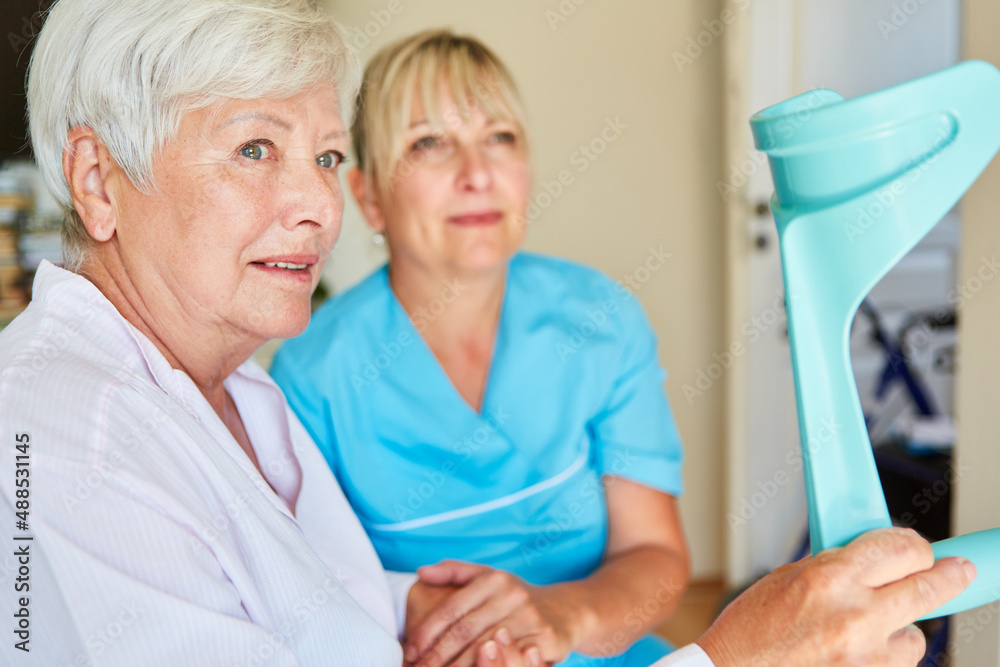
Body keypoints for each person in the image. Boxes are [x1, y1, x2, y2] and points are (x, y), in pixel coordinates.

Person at [0, 0, 975, 665]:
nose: (312, 205)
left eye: (324, 154)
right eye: (255, 148)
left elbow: (300, 602)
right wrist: (729, 655)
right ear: (96, 181)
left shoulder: (232, 389)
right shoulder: (68, 440)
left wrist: (417, 610)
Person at [269, 29, 690, 667]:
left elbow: (655, 558)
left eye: (500, 138)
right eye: (430, 143)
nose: (477, 174)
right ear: (370, 198)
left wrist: (560, 617)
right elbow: (310, 595)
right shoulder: (312, 371)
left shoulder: (601, 319)